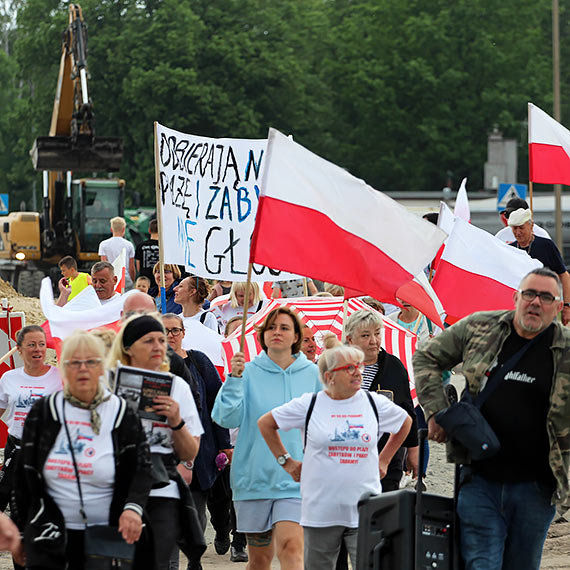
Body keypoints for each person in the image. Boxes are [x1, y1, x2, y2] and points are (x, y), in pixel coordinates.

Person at [413, 267, 570, 570]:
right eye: (529, 294)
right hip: (479, 481)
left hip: (536, 489)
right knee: (482, 564)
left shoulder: (566, 350)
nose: (535, 302)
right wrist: (436, 411)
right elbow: (427, 357)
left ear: (559, 308)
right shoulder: (479, 327)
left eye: (546, 297)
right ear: (516, 297)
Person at [258, 344, 412, 568]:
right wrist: (286, 462)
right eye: (350, 368)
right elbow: (266, 423)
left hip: (364, 508)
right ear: (329, 376)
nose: (358, 372)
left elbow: (404, 422)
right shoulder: (309, 404)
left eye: (358, 366)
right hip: (320, 511)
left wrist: (384, 459)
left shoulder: (372, 402)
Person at [13, 330, 153, 569]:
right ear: (64, 368)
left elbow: (141, 468)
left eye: (91, 362)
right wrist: (21, 532)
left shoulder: (121, 412)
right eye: (74, 362)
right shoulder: (44, 412)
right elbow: (24, 477)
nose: (83, 368)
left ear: (102, 367)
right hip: (50, 533)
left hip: (108, 533)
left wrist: (132, 508)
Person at [212, 306, 321, 570]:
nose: (277, 332)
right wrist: (234, 380)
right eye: (271, 327)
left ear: (296, 336)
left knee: (291, 549)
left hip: (297, 480)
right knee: (259, 561)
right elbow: (225, 418)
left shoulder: (314, 375)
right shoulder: (246, 371)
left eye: (284, 328)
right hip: (253, 480)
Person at [108, 315, 204, 570]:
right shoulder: (107, 385)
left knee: (157, 563)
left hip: (162, 489)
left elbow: (190, 450)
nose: (158, 346)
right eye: (148, 340)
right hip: (115, 488)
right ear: (128, 347)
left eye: (162, 340)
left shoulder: (178, 387)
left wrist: (176, 420)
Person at [162, 313, 232, 569]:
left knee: (196, 510)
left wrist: (224, 444)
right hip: (164, 451)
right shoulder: (151, 366)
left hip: (199, 449)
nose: (171, 335)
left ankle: (194, 557)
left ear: (183, 332)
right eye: (165, 331)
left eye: (175, 330)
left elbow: (217, 404)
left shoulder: (199, 361)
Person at [344, 310, 419, 489]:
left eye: (377, 333)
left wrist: (413, 449)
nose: (374, 341)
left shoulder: (393, 367)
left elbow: (407, 410)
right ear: (350, 339)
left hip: (386, 458)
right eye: (365, 335)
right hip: (345, 458)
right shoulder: (337, 368)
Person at [0, 325, 63, 511]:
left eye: (42, 344)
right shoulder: (8, 378)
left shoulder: (59, 378)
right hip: (16, 449)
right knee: (5, 496)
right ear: (19, 349)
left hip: (46, 451)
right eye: (32, 344)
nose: (38, 349)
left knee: (39, 506)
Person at [507, 208, 570, 325]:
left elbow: (564, 275)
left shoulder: (546, 245)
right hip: (520, 307)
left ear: (531, 226)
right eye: (514, 228)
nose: (518, 232)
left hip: (545, 305)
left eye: (521, 228)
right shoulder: (510, 249)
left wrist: (567, 306)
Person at [98, 216, 136, 288]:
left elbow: (104, 264)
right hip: (125, 279)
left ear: (111, 229)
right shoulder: (129, 245)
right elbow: (131, 268)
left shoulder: (103, 244)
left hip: (111, 279)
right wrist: (132, 281)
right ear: (124, 229)